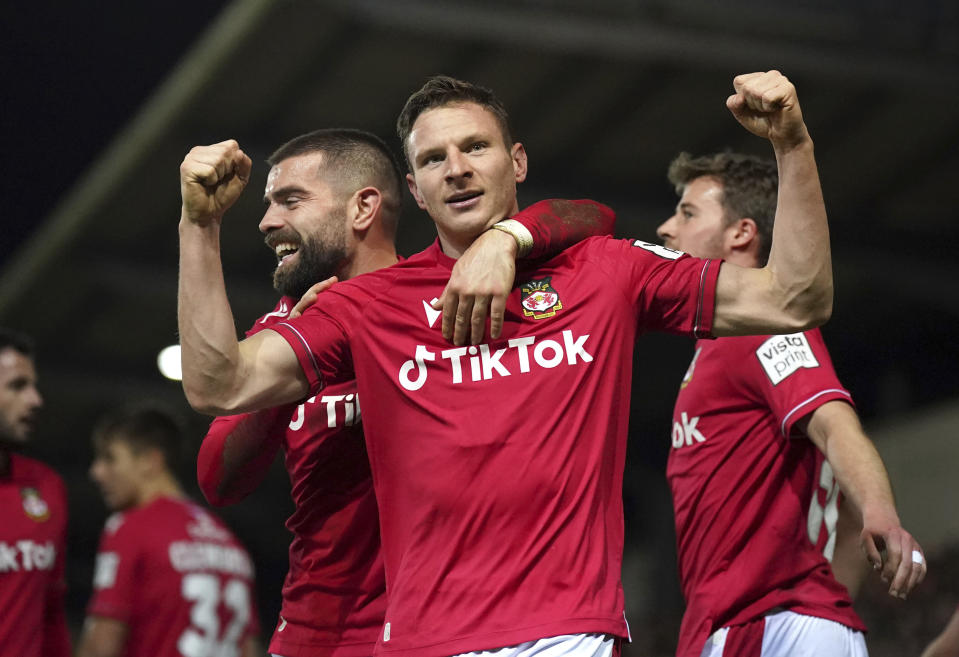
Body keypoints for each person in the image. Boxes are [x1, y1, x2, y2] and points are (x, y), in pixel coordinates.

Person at [177, 70, 836, 657]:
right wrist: (198, 227)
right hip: (418, 641)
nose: (457, 168)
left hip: (566, 630)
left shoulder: (603, 269)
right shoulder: (366, 306)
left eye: (476, 147)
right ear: (414, 187)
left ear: (516, 161)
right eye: (434, 159)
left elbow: (797, 297)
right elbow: (218, 385)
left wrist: (793, 147)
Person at [194, 127, 613, 657]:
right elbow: (218, 480)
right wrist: (291, 376)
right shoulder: (283, 333)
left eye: (290, 201)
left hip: (442, 630)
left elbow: (593, 215)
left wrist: (504, 239)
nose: (267, 221)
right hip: (316, 634)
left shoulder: (444, 299)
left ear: (363, 208)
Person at [656, 150, 925, 656]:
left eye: (688, 213)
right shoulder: (715, 346)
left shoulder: (762, 327)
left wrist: (881, 512)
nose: (667, 227)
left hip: (770, 624)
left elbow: (835, 423)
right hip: (747, 624)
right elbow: (840, 516)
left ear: (741, 233)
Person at [77, 404, 260, 657]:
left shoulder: (131, 528)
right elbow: (248, 647)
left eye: (109, 458)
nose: (96, 472)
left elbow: (102, 643)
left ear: (151, 461)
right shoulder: (228, 541)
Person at [0, 328, 69, 657]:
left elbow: (51, 611)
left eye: (33, 385)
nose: (35, 399)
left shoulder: (46, 486)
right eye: (17, 386)